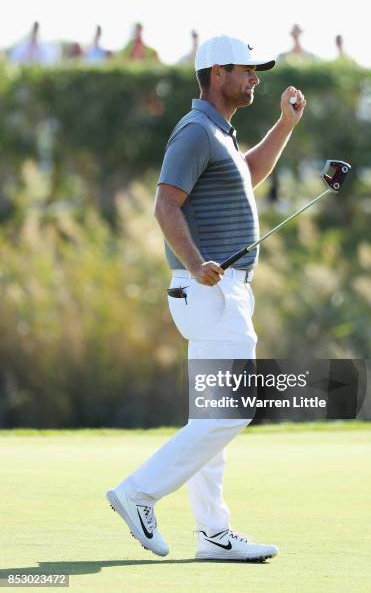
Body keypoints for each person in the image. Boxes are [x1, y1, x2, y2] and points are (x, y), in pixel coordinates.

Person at [107, 34, 306, 562]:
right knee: (234, 407)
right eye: (246, 70)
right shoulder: (196, 131)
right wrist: (196, 264)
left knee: (215, 410)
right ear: (217, 73)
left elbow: (250, 173)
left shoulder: (219, 134)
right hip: (211, 290)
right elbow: (164, 206)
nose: (255, 79)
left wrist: (284, 126)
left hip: (218, 293)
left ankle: (213, 532)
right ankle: (139, 492)